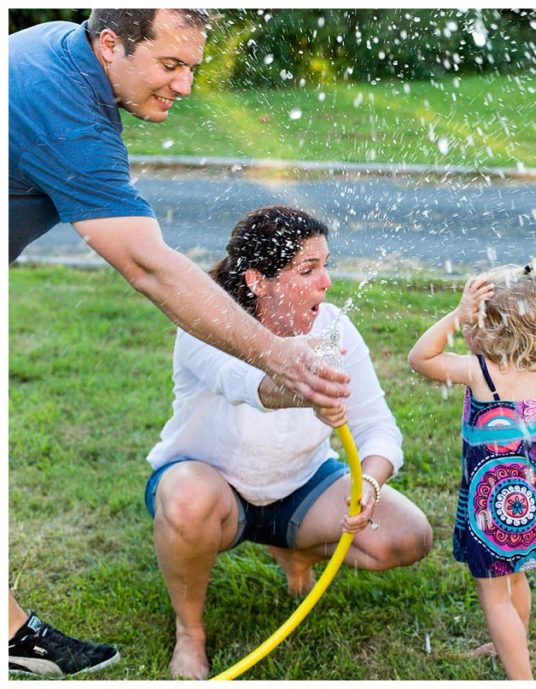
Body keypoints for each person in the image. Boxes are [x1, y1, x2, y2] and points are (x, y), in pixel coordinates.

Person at [8, 10, 348, 677]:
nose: (186, 85)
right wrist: (280, 355)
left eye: (192, 66)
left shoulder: (57, 56)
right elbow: (151, 266)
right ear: (111, 45)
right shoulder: (65, 106)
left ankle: (9, 632)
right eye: (170, 65)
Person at [144, 206, 433, 679]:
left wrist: (372, 485)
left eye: (326, 266)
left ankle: (294, 544)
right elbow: (245, 385)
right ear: (259, 280)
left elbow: (378, 426)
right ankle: (190, 633)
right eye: (308, 270)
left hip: (299, 484)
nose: (327, 282)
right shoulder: (206, 322)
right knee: (187, 500)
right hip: (213, 486)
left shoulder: (333, 326)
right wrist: (306, 394)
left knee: (407, 537)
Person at [408, 261, 536, 680]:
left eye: (471, 321)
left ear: (485, 330)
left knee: (494, 596)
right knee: (516, 579)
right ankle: (511, 643)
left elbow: (419, 357)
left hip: (493, 506)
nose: (465, 329)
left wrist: (453, 316)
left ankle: (521, 678)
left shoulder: (479, 371)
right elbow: (533, 324)